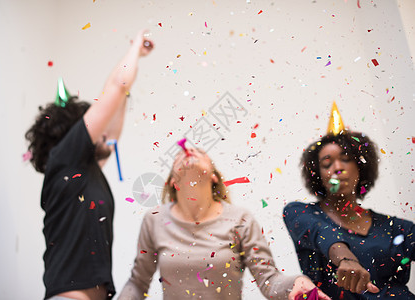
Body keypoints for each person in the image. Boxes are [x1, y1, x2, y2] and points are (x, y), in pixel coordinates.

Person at [25, 30, 153, 300]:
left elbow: (113, 135)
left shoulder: (83, 172)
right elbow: (117, 85)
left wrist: (124, 94)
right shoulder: (65, 159)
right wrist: (135, 49)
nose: (102, 131)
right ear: (73, 132)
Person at [118, 147, 330, 299]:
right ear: (173, 181)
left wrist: (295, 283)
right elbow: (137, 283)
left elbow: (269, 279)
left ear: (213, 177)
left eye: (199, 153)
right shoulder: (154, 219)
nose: (189, 153)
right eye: (180, 156)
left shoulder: (240, 219)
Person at [283, 103, 414, 299]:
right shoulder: (300, 213)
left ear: (361, 167)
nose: (337, 167)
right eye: (327, 163)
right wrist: (345, 259)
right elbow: (322, 232)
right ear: (318, 175)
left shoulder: (397, 228)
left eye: (346, 159)